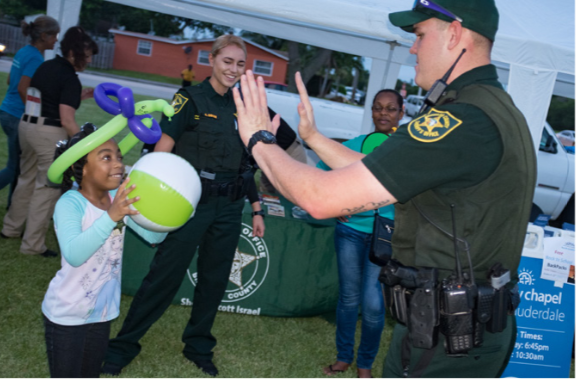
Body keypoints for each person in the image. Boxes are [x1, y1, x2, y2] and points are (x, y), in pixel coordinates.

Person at [232, 0, 535, 378]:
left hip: (446, 337)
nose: (411, 47)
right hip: (462, 327)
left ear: (455, 33)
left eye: (420, 35)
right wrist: (312, 137)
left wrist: (259, 140)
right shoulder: (493, 109)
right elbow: (375, 169)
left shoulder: (461, 120)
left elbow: (320, 199)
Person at [102, 34, 265, 377]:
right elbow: (164, 146)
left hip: (230, 206)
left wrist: (257, 204)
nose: (234, 69)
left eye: (240, 63)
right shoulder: (188, 98)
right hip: (192, 204)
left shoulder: (245, 105)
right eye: (227, 61)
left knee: (215, 279)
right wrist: (145, 188)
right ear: (212, 59)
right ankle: (122, 348)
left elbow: (254, 157)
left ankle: (199, 346)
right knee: (165, 276)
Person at [42, 126, 167, 378]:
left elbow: (154, 237)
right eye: (107, 157)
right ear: (83, 168)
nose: (119, 164)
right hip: (67, 314)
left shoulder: (116, 198)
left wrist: (163, 212)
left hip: (102, 312)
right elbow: (75, 254)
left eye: (119, 156)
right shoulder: (70, 203)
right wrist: (112, 216)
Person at [319, 89, 404, 378]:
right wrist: (334, 205)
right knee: (348, 299)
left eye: (391, 109)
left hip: (384, 237)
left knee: (372, 303)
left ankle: (364, 364)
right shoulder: (355, 145)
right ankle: (344, 357)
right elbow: (322, 168)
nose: (383, 113)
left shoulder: (409, 151)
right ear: (371, 113)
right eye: (378, 108)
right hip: (350, 232)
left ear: (401, 114)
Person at [1, 26, 98, 257]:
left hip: (27, 125)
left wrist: (79, 95)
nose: (90, 60)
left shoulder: (46, 66)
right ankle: (33, 245)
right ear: (75, 53)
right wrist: (84, 143)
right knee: (47, 188)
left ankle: (10, 229)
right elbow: (66, 119)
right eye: (88, 54)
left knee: (26, 179)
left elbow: (48, 97)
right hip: (49, 132)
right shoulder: (70, 77)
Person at [0, 16, 60, 208]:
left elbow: (11, 80)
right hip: (17, 116)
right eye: (54, 36)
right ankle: (14, 207)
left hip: (6, 111)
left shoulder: (24, 51)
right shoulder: (35, 57)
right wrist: (33, 115)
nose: (56, 40)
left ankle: (12, 206)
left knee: (17, 165)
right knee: (15, 167)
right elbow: (21, 88)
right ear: (44, 36)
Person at [259, 107, 307, 193]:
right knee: (267, 192)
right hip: (268, 153)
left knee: (295, 192)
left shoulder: (244, 101)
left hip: (288, 151)